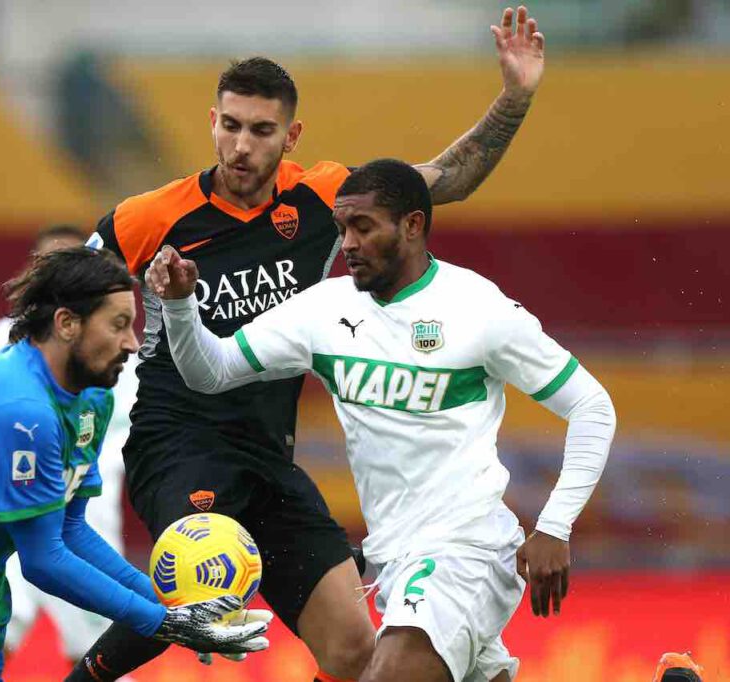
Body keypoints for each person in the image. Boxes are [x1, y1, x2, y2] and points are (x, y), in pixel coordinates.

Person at [71, 7, 546, 681]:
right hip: (180, 441)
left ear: (290, 136)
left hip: (270, 454)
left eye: (261, 131)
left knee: (354, 648)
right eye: (230, 126)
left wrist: (514, 97)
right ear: (212, 123)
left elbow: (449, 179)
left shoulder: (326, 197)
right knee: (205, 585)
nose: (241, 146)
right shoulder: (150, 217)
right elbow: (71, 289)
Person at [148, 158, 616, 682]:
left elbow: (592, 406)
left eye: (363, 227)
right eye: (342, 228)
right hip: (395, 557)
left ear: (412, 225)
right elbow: (209, 372)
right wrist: (182, 306)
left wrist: (554, 527)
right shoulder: (323, 311)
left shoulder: (478, 310)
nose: (347, 243)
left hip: (465, 547)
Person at [0, 247, 271, 682]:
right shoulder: (18, 407)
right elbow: (43, 560)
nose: (132, 344)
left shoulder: (91, 400)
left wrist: (173, 609)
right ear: (67, 324)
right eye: (118, 325)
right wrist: (163, 622)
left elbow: (71, 531)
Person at [0, 225, 139, 668]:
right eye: (46, 266)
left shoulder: (126, 355)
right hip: (19, 506)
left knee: (92, 650)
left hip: (85, 512)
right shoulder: (10, 340)